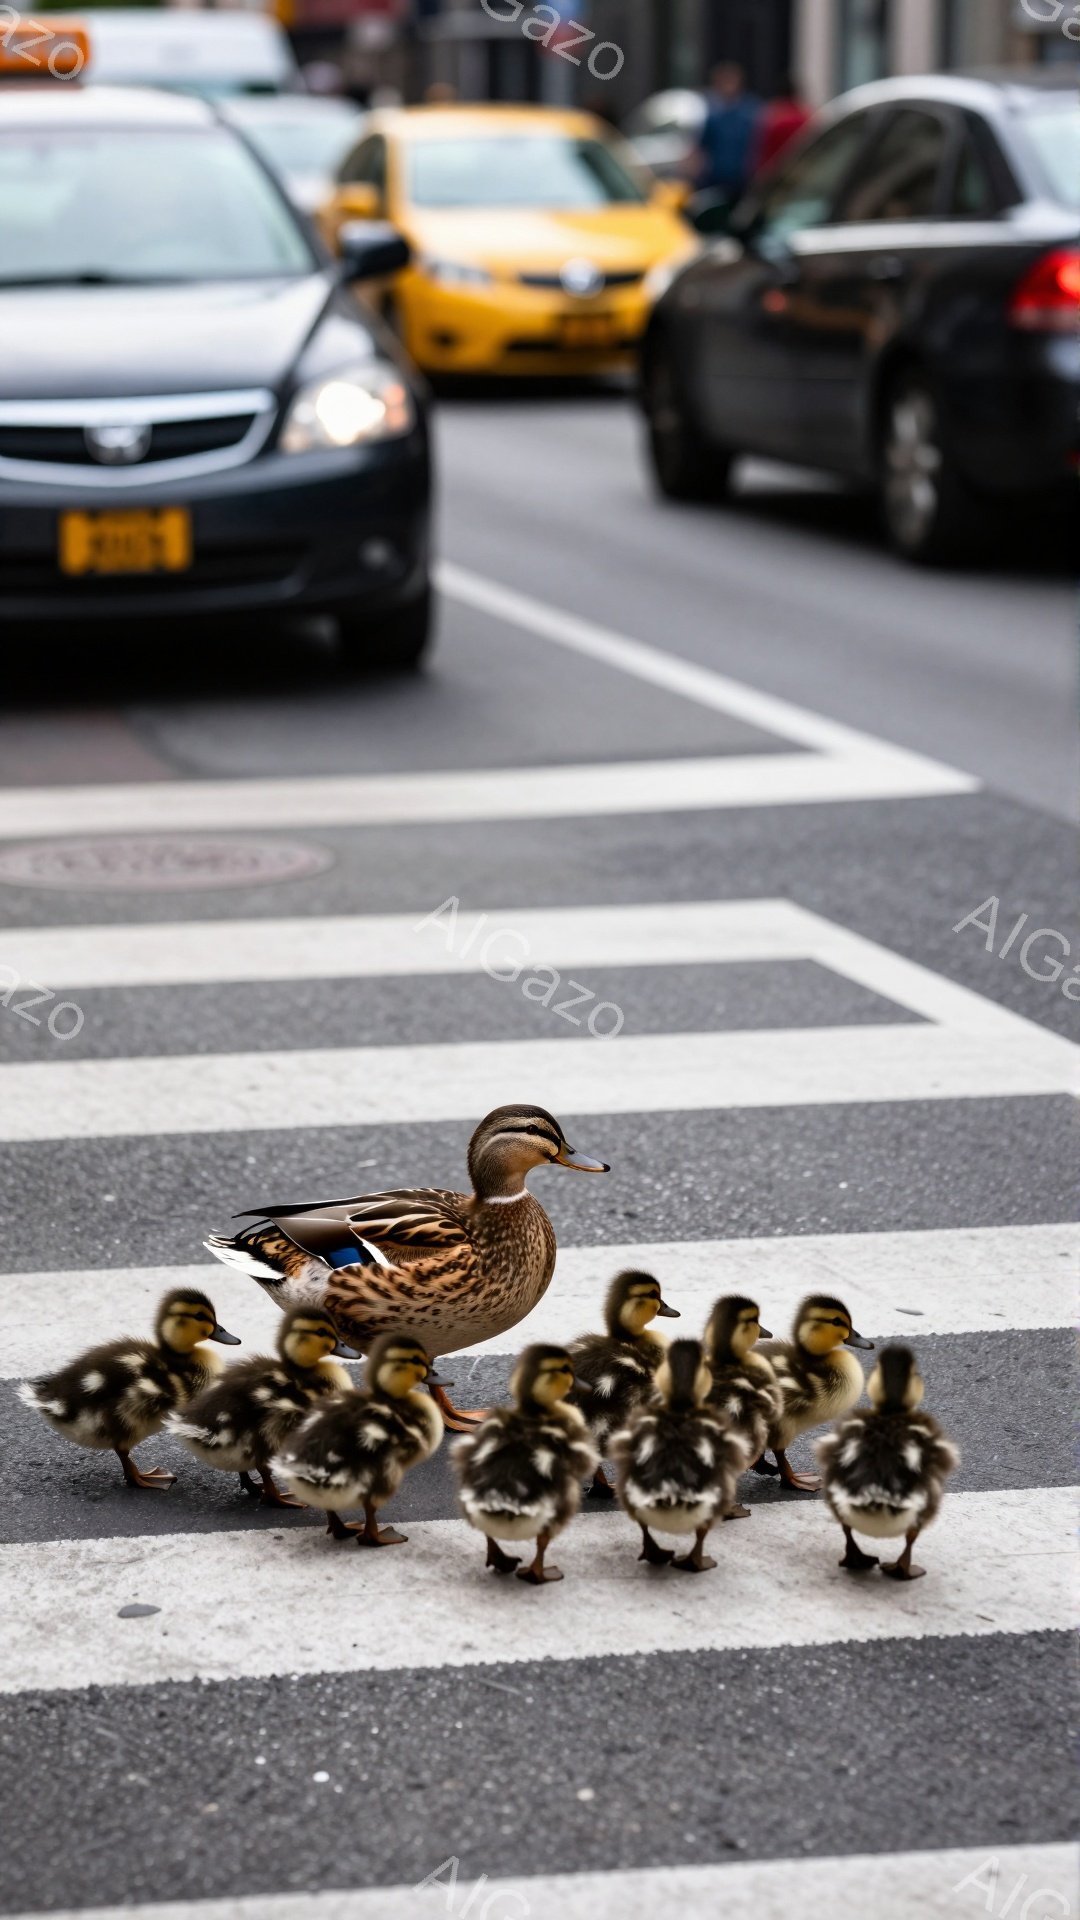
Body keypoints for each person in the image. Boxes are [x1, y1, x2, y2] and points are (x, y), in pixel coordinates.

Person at [695, 62, 761, 201]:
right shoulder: (713, 113)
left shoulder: (750, 111)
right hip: (717, 175)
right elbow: (703, 145)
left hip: (744, 175)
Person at [753, 73, 812, 174]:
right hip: (800, 171)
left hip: (776, 173)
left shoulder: (773, 119)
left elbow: (763, 151)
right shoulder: (806, 117)